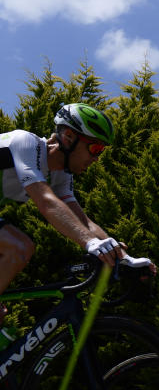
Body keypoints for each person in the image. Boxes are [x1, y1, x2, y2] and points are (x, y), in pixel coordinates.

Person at [0, 103, 124, 323]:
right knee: (19, 247)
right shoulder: (25, 143)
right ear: (68, 137)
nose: (97, 159)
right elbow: (46, 201)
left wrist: (123, 257)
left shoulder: (60, 174)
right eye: (95, 149)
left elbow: (81, 220)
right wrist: (90, 243)